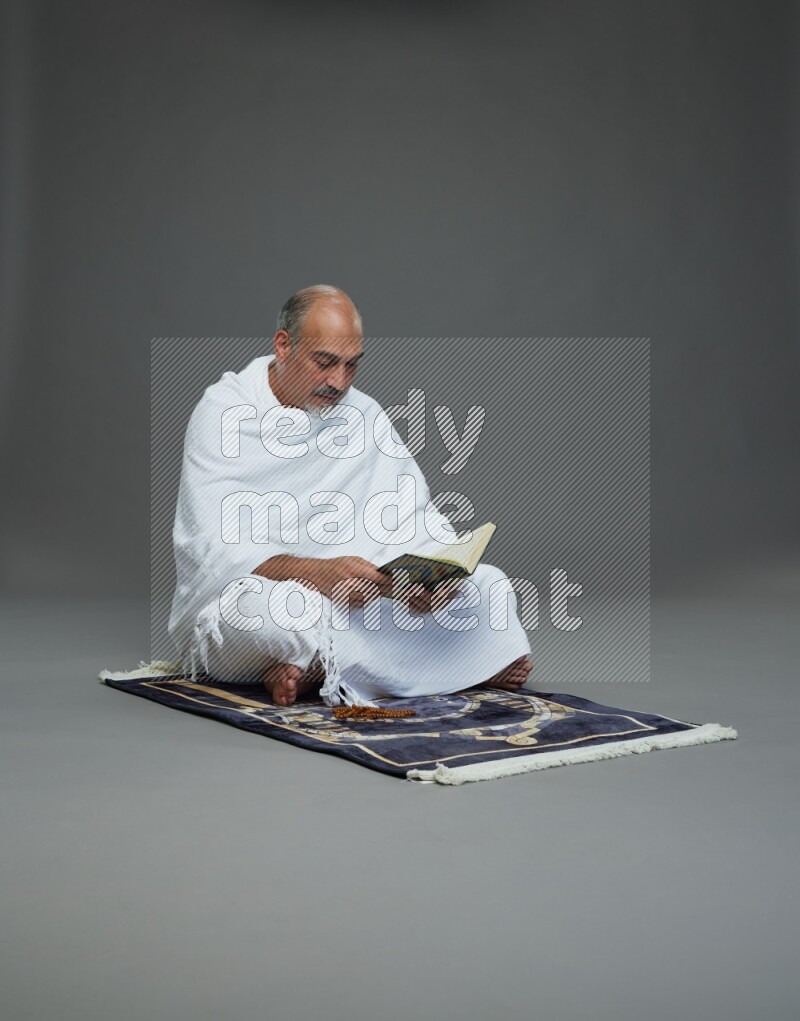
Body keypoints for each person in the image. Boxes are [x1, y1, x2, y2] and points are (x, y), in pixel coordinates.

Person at [168, 285, 533, 707]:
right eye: (324, 363)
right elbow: (211, 548)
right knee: (273, 612)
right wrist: (316, 574)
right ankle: (459, 665)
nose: (338, 382)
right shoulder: (223, 413)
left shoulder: (364, 414)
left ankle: (318, 666)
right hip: (275, 595)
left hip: (364, 597)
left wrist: (436, 576)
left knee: (489, 586)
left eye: (351, 366)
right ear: (284, 346)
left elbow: (414, 519)